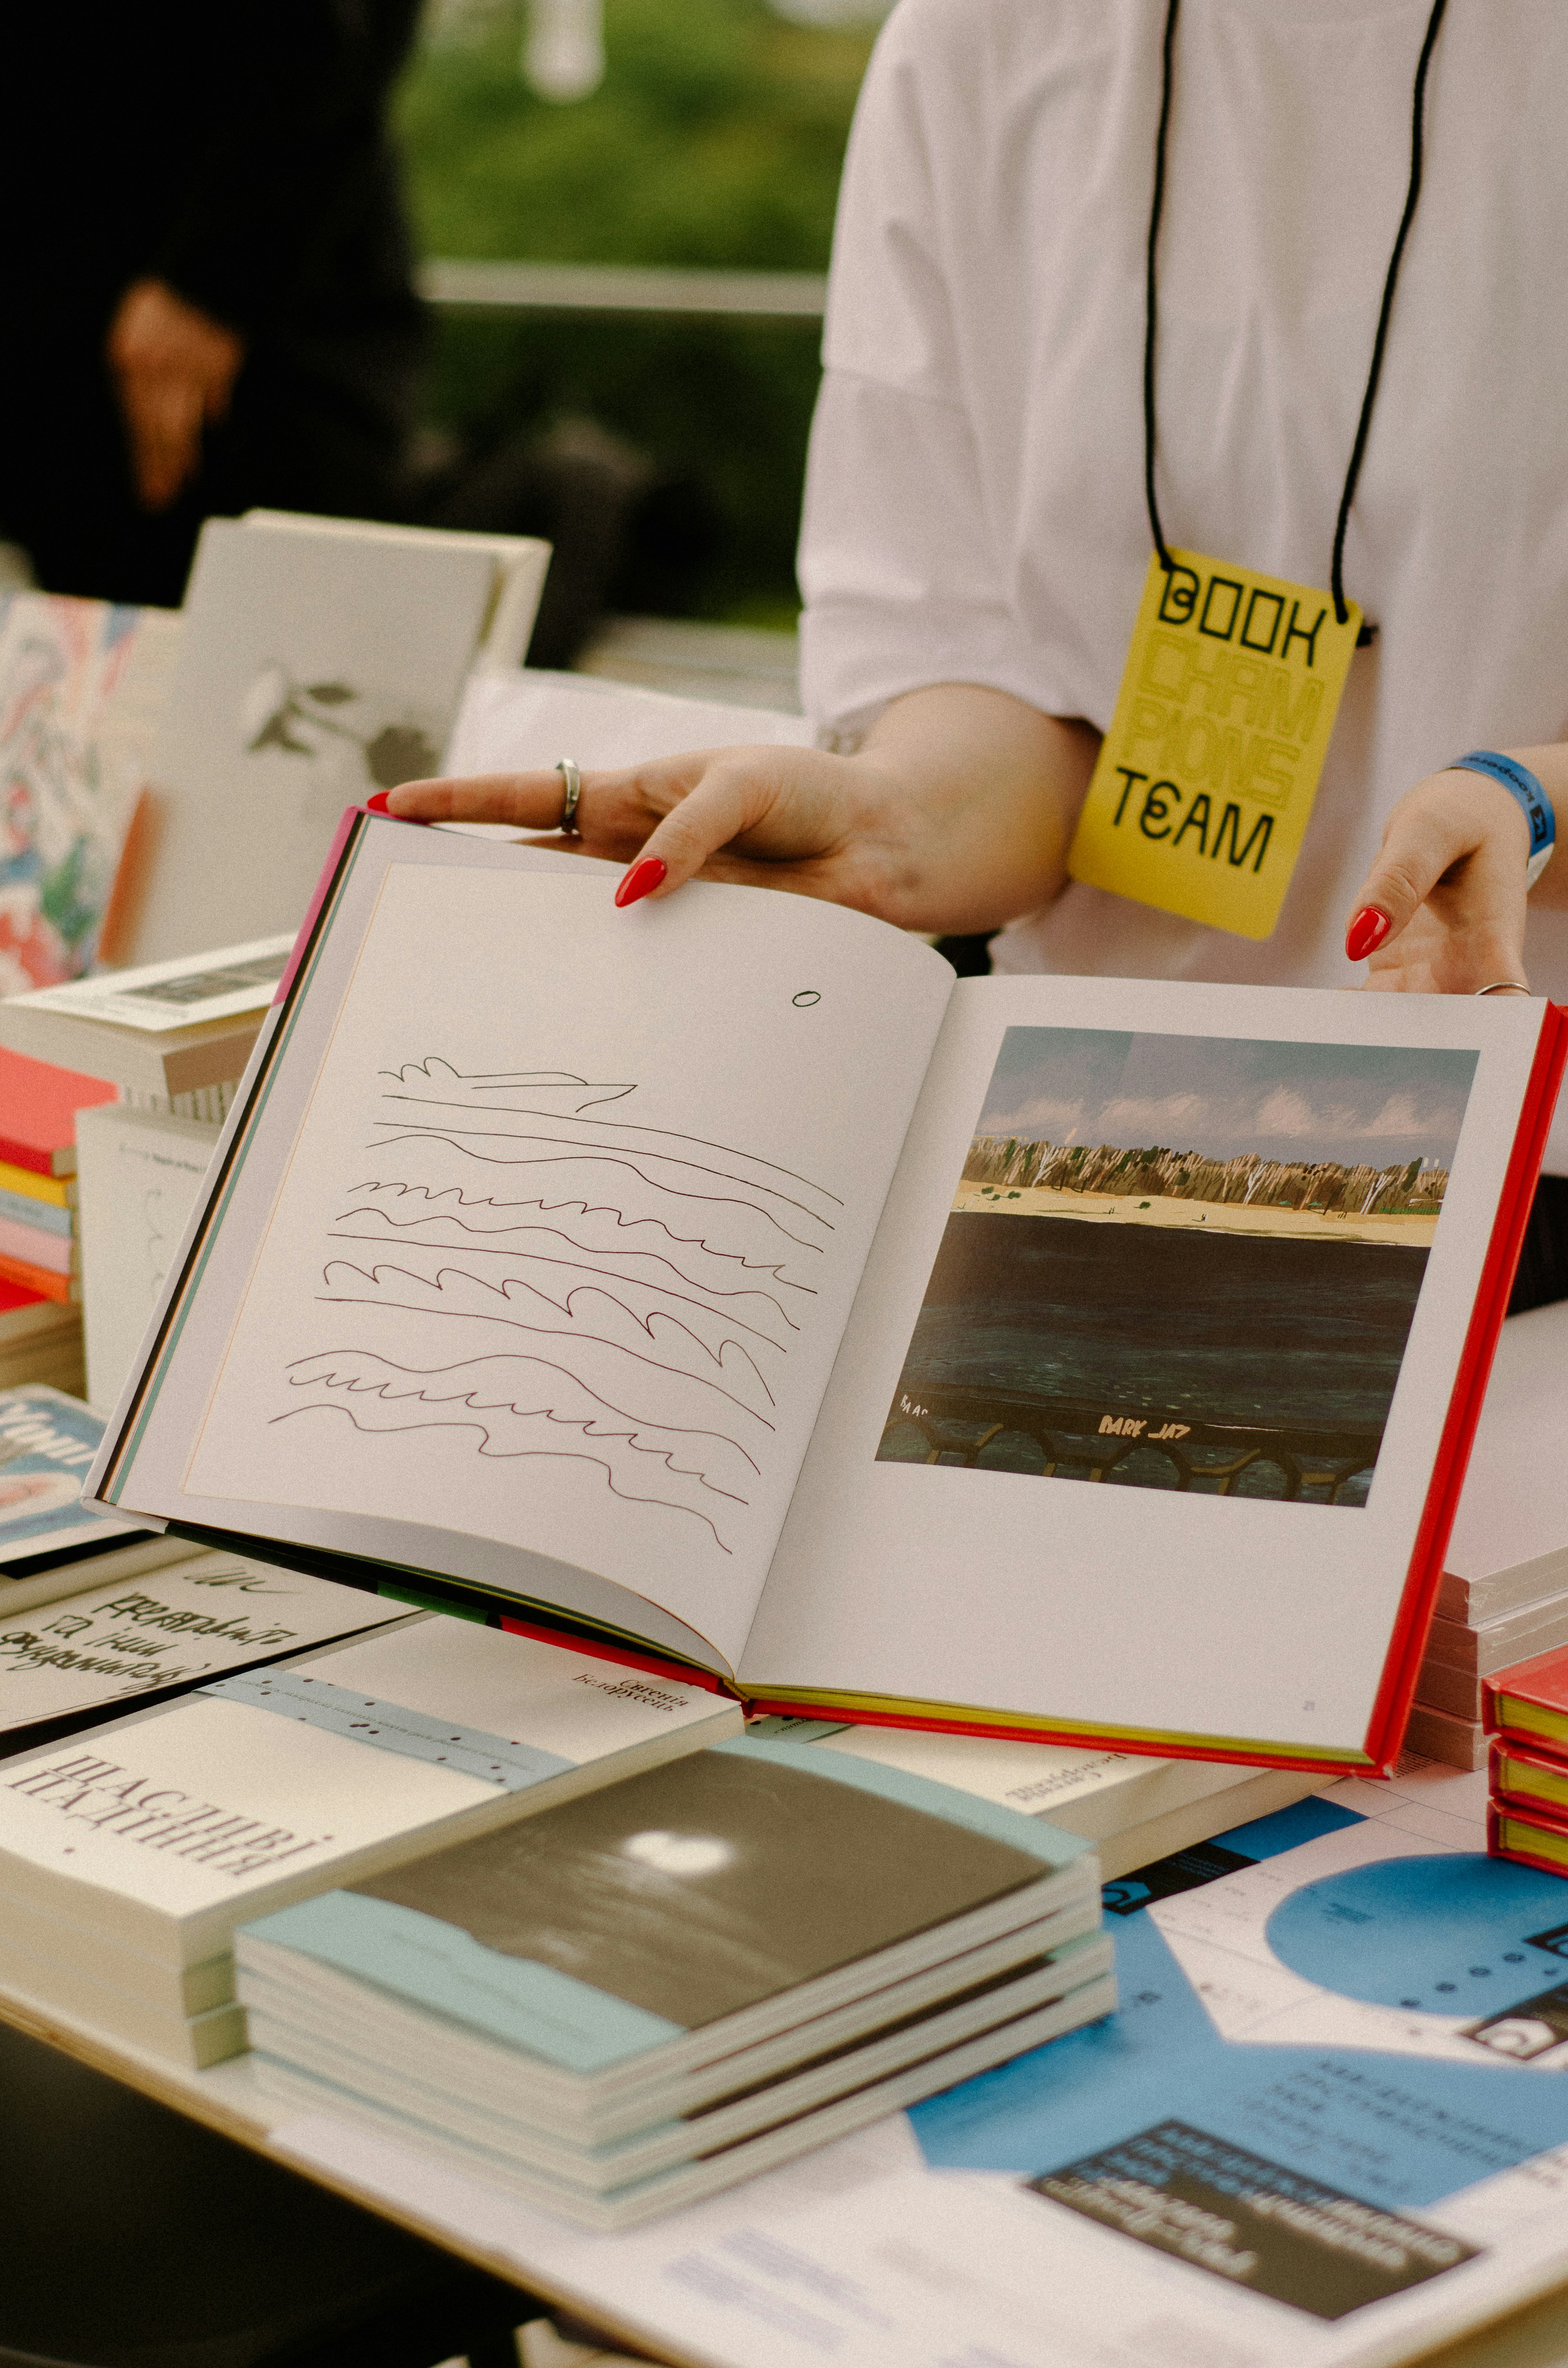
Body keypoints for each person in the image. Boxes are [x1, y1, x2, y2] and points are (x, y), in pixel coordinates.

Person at [386, 0, 1568, 1299]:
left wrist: (1536, 807)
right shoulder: (980, 39)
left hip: (1536, 1174)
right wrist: (893, 829)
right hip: (1109, 1148)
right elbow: (996, 671)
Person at [4, 2, 426, 610]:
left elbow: (329, 40)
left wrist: (212, 283)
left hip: (224, 355)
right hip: (68, 353)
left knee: (262, 647)